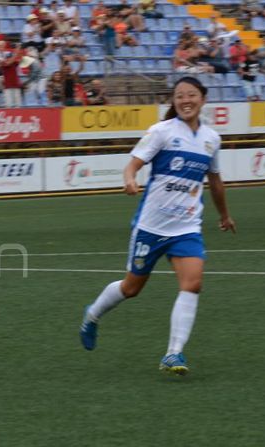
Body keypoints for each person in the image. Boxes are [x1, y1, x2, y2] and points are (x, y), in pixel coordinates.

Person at [79, 77, 235, 376]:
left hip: (187, 226)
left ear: (202, 99)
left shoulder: (211, 139)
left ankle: (173, 354)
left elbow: (215, 181)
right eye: (179, 96)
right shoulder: (161, 132)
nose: (185, 100)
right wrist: (129, 179)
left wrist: (224, 215)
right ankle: (93, 314)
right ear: (174, 101)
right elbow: (133, 163)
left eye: (191, 95)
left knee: (193, 283)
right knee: (131, 288)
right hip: (151, 227)